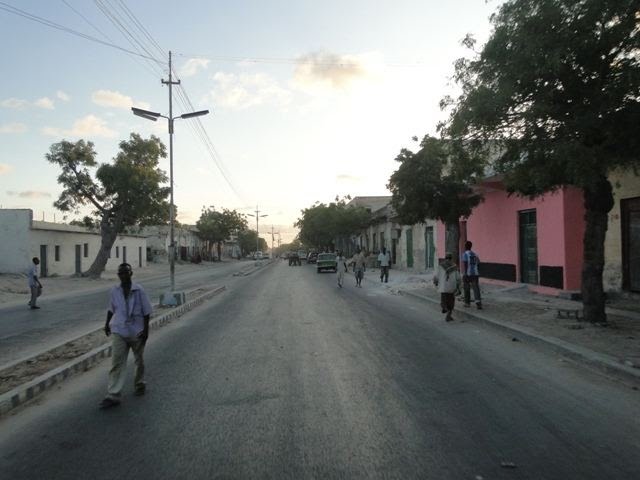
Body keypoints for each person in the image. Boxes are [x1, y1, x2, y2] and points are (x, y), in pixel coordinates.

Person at [100, 263, 153, 409]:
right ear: (118, 275)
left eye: (126, 273)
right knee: (117, 362)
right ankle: (113, 394)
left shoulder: (139, 290)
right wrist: (107, 324)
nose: (123, 276)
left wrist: (146, 331)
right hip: (120, 330)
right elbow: (111, 308)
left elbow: (147, 312)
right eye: (121, 273)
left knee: (139, 360)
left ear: (131, 274)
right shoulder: (114, 291)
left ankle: (139, 383)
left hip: (137, 331)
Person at [433, 252, 462, 322]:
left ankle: (445, 307)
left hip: (443, 287)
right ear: (451, 258)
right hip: (452, 287)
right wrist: (459, 286)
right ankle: (448, 315)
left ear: (445, 258)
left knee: (443, 301)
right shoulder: (454, 266)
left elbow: (436, 276)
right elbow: (458, 278)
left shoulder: (440, 266)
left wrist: (436, 282)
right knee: (451, 302)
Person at [462, 240, 482, 309]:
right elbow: (479, 263)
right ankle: (478, 303)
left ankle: (467, 303)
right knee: (476, 288)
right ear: (471, 246)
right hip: (475, 274)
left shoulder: (465, 254)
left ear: (465, 246)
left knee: (466, 288)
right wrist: (477, 271)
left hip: (468, 273)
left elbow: (465, 264)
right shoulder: (475, 254)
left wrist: (465, 273)